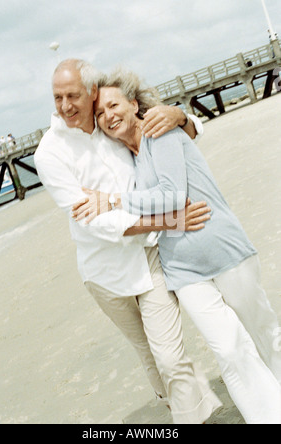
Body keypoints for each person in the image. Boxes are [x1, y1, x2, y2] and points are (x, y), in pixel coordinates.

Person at [73, 68, 281, 424]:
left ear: (134, 104)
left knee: (263, 331)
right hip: (183, 272)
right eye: (101, 113)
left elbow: (172, 195)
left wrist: (112, 200)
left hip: (225, 250)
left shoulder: (161, 132)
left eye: (113, 105)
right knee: (230, 350)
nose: (108, 116)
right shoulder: (127, 162)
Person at [34, 59, 222, 424]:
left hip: (150, 255)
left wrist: (180, 116)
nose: (65, 106)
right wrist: (171, 219)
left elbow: (183, 129)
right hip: (104, 273)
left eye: (73, 95)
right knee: (150, 357)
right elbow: (95, 223)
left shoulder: (110, 122)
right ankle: (185, 407)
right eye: (57, 97)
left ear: (91, 93)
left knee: (168, 355)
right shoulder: (50, 153)